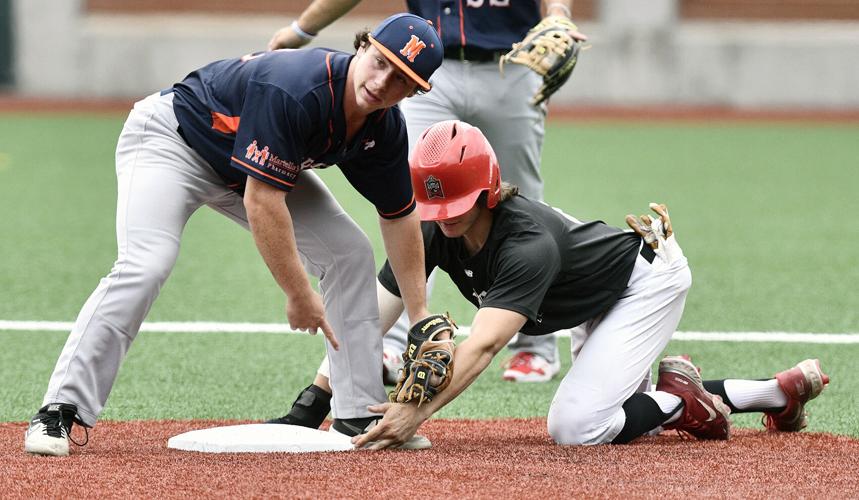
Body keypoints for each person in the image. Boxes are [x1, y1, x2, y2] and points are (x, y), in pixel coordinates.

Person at [23, 13, 445, 457]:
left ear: (415, 92)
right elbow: (263, 202)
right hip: (173, 142)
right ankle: (58, 409)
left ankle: (358, 413)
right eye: (380, 62)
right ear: (362, 47)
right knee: (146, 264)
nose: (382, 83)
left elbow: (399, 217)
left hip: (245, 172)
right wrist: (299, 293)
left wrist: (419, 317)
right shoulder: (297, 86)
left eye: (401, 79)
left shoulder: (385, 129)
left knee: (349, 252)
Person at [279, 120, 831, 448]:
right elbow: (370, 314)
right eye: (434, 205)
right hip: (589, 296)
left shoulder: (526, 246)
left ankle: (676, 399)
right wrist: (315, 397)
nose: (444, 217)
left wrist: (414, 414)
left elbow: (486, 344)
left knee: (577, 426)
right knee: (618, 409)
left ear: (489, 191)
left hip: (643, 285)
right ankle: (775, 393)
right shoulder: (436, 227)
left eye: (456, 204)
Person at [269, 0, 588, 384]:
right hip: (423, 74)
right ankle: (399, 340)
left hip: (512, 65)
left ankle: (535, 348)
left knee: (519, 201)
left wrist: (557, 11)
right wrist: (302, 29)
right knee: (411, 196)